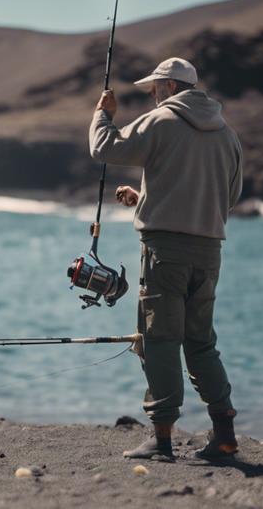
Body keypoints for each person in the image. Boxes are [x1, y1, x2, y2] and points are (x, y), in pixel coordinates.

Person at [88, 57, 243, 461]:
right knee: (201, 343)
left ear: (171, 87)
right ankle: (225, 435)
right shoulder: (227, 135)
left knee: (158, 341)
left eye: (155, 89)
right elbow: (228, 197)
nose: (153, 97)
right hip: (209, 254)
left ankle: (160, 441)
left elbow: (103, 148)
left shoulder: (160, 122)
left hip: (165, 255)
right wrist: (148, 202)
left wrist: (102, 115)